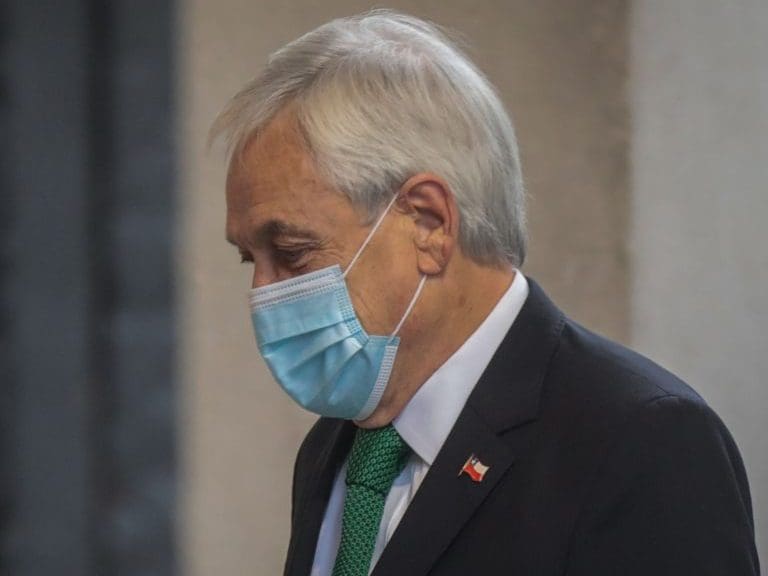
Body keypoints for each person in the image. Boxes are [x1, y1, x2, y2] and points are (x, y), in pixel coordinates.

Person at [211, 10, 759, 576]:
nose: (263, 295)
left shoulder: (639, 442)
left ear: (429, 224)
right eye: (253, 260)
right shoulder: (334, 447)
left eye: (295, 253)